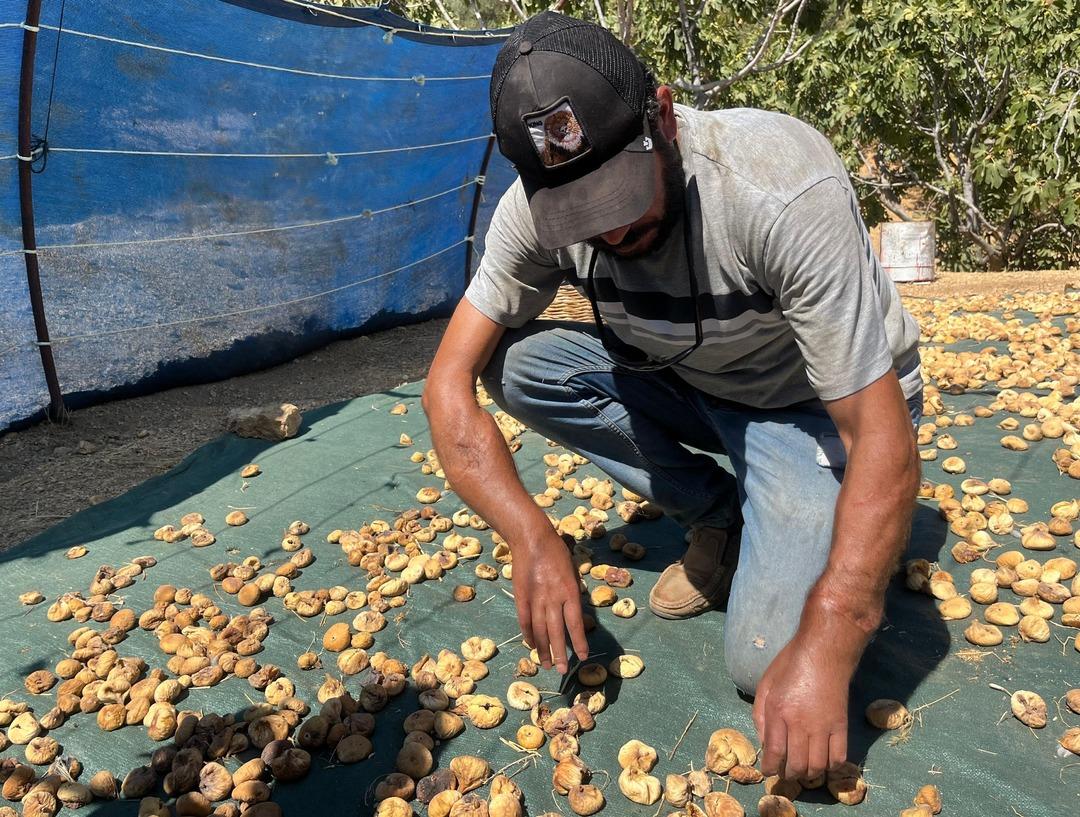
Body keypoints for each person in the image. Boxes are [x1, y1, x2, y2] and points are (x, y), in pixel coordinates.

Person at [422, 11, 922, 782]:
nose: (613, 233)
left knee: (767, 662)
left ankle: (806, 508)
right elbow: (446, 384)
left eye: (621, 194)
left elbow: (883, 439)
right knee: (518, 367)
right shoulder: (532, 213)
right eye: (581, 211)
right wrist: (529, 532)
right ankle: (721, 511)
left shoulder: (776, 187)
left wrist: (834, 630)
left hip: (813, 408)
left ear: (661, 114)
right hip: (691, 380)